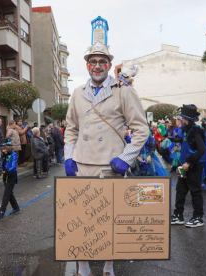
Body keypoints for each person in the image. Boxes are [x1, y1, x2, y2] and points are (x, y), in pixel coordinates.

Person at [64, 41, 148, 276]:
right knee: (81, 221)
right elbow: (71, 128)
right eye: (93, 62)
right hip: (82, 165)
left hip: (111, 167)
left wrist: (126, 157)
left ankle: (109, 267)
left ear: (110, 65)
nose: (97, 66)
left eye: (102, 62)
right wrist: (69, 157)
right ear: (87, 66)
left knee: (110, 221)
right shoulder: (78, 93)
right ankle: (83, 267)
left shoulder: (124, 90)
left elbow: (141, 129)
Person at [171, 104, 206, 228]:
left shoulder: (195, 130)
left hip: (194, 166)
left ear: (185, 117)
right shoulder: (186, 129)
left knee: (195, 191)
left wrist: (189, 163)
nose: (180, 117)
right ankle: (178, 215)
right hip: (183, 165)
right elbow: (186, 144)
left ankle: (198, 217)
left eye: (181, 116)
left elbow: (201, 149)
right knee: (180, 189)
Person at [0, 139, 20, 219]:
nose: (3, 151)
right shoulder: (3, 155)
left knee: (6, 193)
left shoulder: (13, 155)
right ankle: (16, 208)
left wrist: (6, 171)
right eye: (2, 149)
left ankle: (2, 211)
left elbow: (13, 166)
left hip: (11, 176)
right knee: (9, 193)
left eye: (4, 149)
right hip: (5, 176)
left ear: (8, 148)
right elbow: (1, 164)